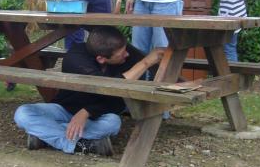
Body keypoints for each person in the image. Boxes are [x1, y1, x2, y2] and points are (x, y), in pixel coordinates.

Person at [14, 26, 164, 156]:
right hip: (64, 109)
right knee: (22, 113)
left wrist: (86, 112)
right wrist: (145, 63)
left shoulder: (126, 60)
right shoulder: (75, 58)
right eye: (121, 53)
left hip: (96, 117)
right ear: (101, 59)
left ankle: (45, 135)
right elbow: (109, 86)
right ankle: (78, 144)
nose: (127, 54)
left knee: (113, 123)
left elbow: (117, 100)